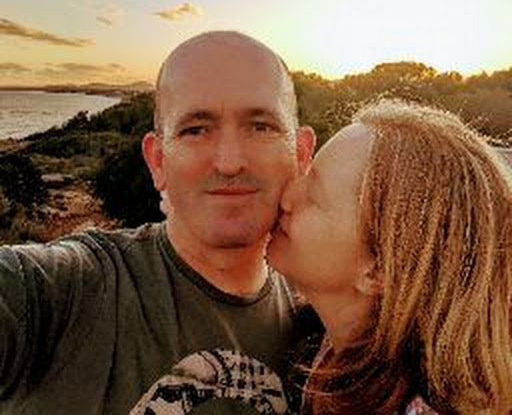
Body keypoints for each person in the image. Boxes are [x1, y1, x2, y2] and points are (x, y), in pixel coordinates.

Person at [0, 31, 316, 415]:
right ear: (157, 161)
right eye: (195, 130)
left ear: (301, 155)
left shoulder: (323, 322)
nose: (230, 162)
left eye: (261, 126)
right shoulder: (71, 291)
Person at [267, 98, 512, 415]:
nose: (286, 196)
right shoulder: (320, 341)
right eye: (306, 173)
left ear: (378, 270)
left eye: (313, 196)